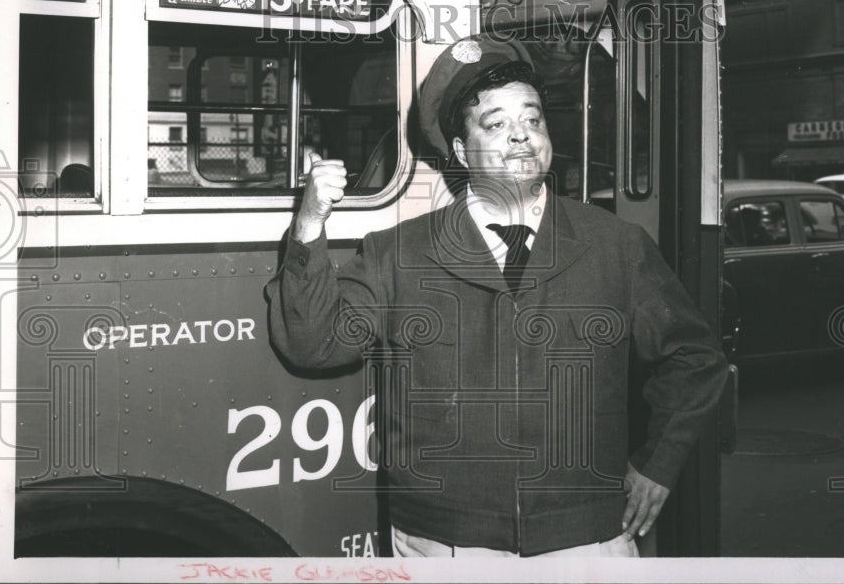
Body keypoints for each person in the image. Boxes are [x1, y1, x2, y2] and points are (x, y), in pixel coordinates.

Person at [266, 35, 728, 558]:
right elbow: (313, 343)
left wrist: (657, 464)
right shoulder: (399, 253)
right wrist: (309, 222)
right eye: (497, 124)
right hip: (444, 544)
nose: (521, 137)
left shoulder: (615, 246)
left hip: (587, 540)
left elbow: (695, 358)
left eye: (532, 119)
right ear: (461, 151)